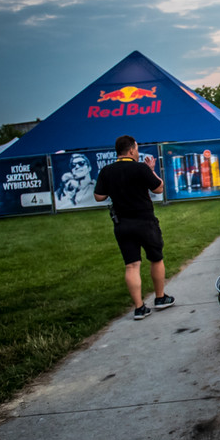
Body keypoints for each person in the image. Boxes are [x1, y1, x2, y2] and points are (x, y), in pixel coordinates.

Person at [93, 135, 174, 320]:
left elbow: (99, 196)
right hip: (145, 221)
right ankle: (160, 298)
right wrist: (151, 171)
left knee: (131, 265)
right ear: (131, 150)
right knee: (156, 258)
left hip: (122, 224)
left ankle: (139, 308)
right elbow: (159, 188)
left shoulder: (107, 171)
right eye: (136, 149)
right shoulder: (140, 168)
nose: (137, 152)